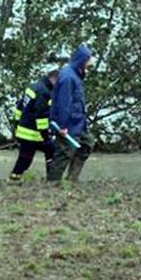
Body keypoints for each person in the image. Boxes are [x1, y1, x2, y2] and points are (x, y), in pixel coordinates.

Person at [47, 44, 95, 182]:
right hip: (68, 124)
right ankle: (52, 183)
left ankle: (72, 178)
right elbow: (63, 104)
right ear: (81, 61)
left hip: (79, 123)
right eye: (87, 64)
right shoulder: (68, 77)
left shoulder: (76, 75)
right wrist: (62, 127)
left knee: (87, 144)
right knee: (63, 153)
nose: (88, 68)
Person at [10, 70, 59, 181]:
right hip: (33, 132)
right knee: (28, 157)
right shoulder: (45, 92)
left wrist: (16, 124)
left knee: (27, 156)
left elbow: (20, 106)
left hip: (23, 128)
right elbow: (41, 115)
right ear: (54, 79)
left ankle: (15, 177)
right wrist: (45, 136)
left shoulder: (33, 86)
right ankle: (52, 179)